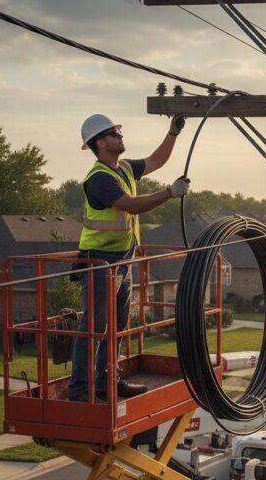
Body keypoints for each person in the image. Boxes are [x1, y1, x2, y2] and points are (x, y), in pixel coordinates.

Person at [67, 113, 190, 402]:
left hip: (122, 260)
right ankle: (80, 390)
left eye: (119, 132)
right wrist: (170, 192)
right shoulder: (99, 178)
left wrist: (172, 132)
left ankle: (106, 381)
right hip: (99, 261)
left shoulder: (123, 168)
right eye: (114, 133)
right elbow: (131, 206)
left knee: (117, 325)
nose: (120, 136)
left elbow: (156, 161)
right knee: (95, 327)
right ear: (99, 142)